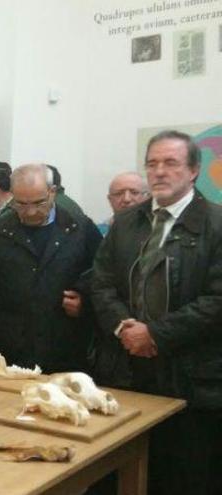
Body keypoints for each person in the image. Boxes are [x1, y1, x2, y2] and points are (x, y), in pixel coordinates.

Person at [91, 130, 222, 494]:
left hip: (193, 381)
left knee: (185, 478)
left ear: (194, 170)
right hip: (128, 372)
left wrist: (156, 334)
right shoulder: (126, 224)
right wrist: (125, 329)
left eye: (171, 163)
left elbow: (217, 301)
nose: (159, 172)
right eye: (152, 164)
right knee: (126, 475)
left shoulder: (217, 224)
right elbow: (101, 284)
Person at [0, 163, 102, 373]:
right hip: (13, 349)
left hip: (66, 348)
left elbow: (103, 278)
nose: (30, 212)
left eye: (39, 203)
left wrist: (86, 301)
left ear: (52, 192)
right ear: (11, 195)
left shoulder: (79, 228)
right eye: (20, 203)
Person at [96, 171, 148, 236]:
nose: (127, 199)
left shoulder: (157, 230)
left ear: (147, 198)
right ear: (110, 200)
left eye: (134, 192)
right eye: (119, 193)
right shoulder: (98, 233)